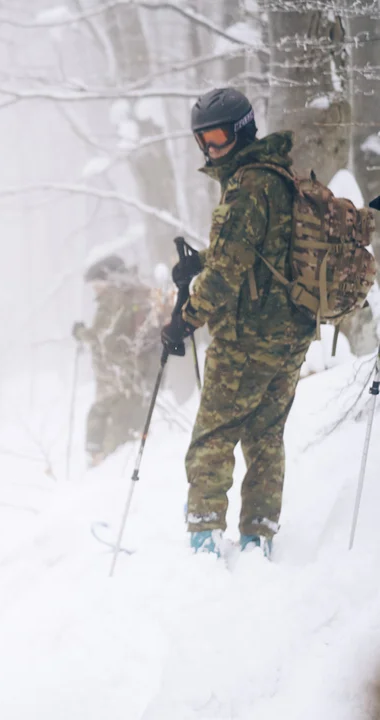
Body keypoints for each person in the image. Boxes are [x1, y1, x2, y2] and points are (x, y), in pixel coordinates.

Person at [161, 87, 314, 558]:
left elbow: (228, 271)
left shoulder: (246, 185)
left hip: (247, 338)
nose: (212, 149)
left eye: (220, 136)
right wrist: (201, 261)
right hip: (291, 334)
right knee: (265, 436)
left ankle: (204, 541)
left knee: (213, 435)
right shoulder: (277, 175)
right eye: (203, 140)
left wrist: (186, 319)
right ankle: (258, 536)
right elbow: (258, 250)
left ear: (242, 130)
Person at [72, 256, 164, 467]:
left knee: (111, 424)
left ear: (107, 281)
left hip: (120, 375)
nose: (95, 290)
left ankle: (102, 465)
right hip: (130, 373)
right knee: (114, 420)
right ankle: (102, 462)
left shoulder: (113, 298)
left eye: (96, 285)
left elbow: (101, 336)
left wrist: (80, 333)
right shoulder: (133, 295)